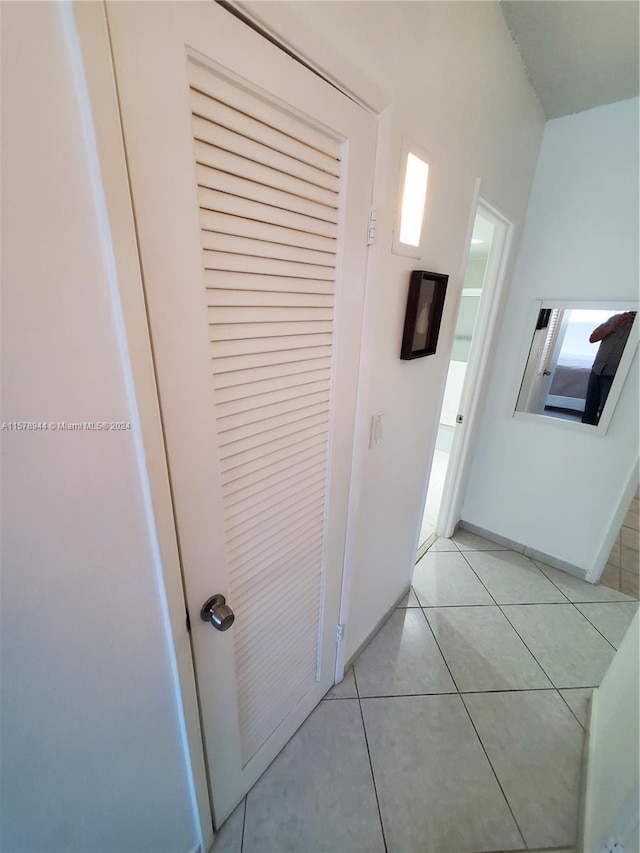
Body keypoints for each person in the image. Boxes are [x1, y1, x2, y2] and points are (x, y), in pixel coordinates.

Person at [581, 311, 636, 425]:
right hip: (597, 370)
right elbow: (592, 339)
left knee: (607, 411)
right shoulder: (615, 319)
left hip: (616, 375)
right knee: (590, 406)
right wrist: (614, 325)